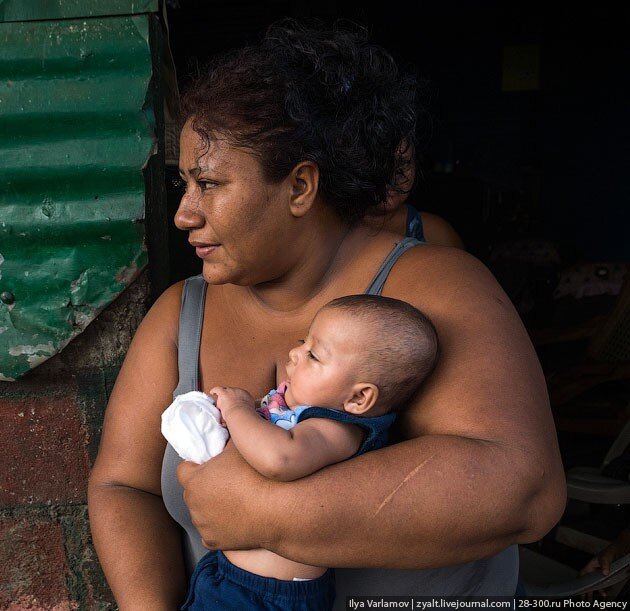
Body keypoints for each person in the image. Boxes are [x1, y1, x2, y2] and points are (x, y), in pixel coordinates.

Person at [88, 20, 565, 610]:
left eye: (208, 183)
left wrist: (264, 512)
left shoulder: (435, 286)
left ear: (300, 187)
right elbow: (122, 486)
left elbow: (524, 490)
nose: (184, 213)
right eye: (183, 183)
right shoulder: (179, 314)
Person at [170, 295, 438, 610]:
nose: (295, 353)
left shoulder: (337, 430)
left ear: (359, 397)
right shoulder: (300, 411)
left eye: (313, 354)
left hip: (269, 595)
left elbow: (278, 458)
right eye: (302, 342)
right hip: (231, 575)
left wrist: (237, 409)